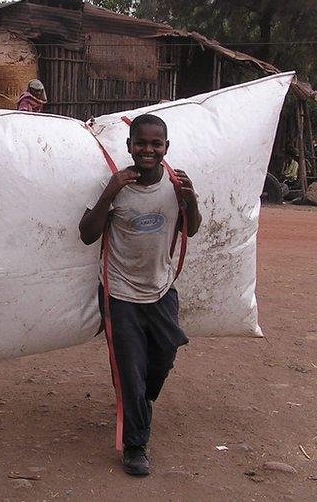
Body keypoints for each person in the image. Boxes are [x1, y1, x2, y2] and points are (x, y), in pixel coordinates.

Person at [77, 114, 202, 477]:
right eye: (141, 143)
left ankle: (140, 401)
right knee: (130, 370)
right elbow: (87, 234)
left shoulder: (176, 185)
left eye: (155, 144)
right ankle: (135, 445)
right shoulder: (114, 186)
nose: (148, 150)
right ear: (130, 146)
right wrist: (110, 191)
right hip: (120, 295)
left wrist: (191, 202)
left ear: (166, 148)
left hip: (161, 291)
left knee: (162, 358)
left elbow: (190, 230)